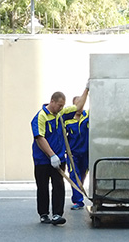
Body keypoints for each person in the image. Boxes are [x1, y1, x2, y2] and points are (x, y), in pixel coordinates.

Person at [31, 87, 89, 226]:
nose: (61, 108)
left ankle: (57, 214)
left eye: (63, 106)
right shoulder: (40, 117)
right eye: (59, 105)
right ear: (52, 101)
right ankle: (44, 214)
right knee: (43, 186)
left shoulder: (60, 114)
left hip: (59, 159)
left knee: (58, 186)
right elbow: (40, 138)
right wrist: (52, 156)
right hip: (42, 159)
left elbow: (78, 107)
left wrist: (87, 89)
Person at [65, 95, 89, 210]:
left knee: (82, 175)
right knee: (74, 175)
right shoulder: (67, 121)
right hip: (73, 154)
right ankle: (78, 201)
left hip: (86, 153)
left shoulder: (88, 116)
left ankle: (79, 192)